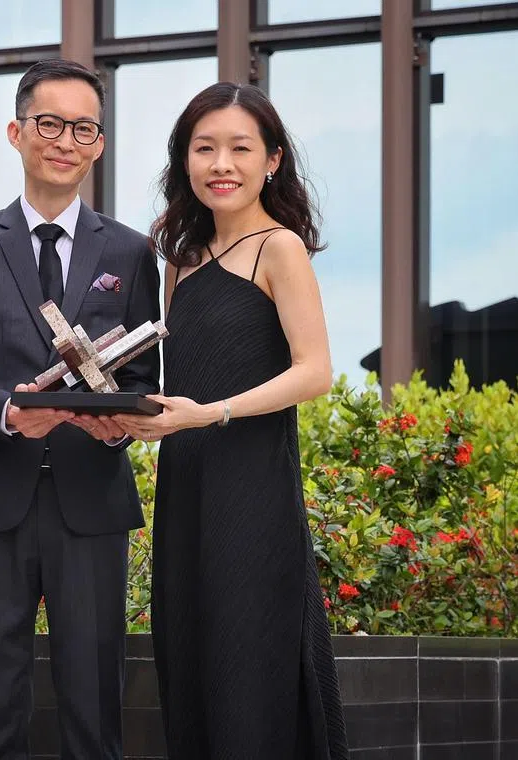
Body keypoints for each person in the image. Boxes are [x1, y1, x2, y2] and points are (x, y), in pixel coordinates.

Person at [0, 59, 161, 759]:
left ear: (98, 144)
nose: (65, 139)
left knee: (95, 699)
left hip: (92, 500)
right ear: (17, 131)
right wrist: (7, 413)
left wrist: (121, 426)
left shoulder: (131, 250)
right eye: (49, 123)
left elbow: (143, 370)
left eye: (83, 127)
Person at [112, 82, 349, 758]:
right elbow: (174, 386)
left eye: (240, 148)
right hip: (186, 493)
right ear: (184, 160)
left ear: (272, 160)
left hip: (254, 495)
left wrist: (210, 414)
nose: (222, 164)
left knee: (250, 673)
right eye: (205, 147)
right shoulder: (180, 261)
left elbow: (316, 371)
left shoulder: (280, 249)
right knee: (189, 668)